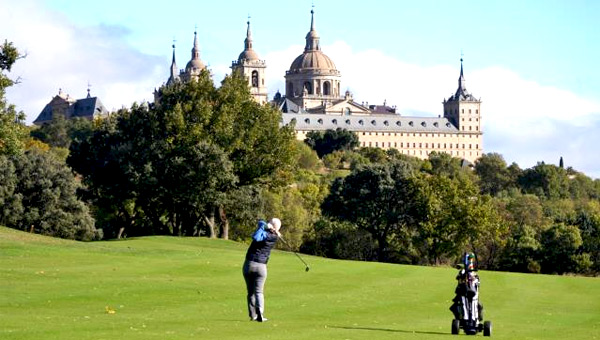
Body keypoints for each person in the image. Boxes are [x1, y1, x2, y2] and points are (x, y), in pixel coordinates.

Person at [243, 217, 281, 322]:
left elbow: (256, 237)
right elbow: (260, 222)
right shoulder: (274, 235)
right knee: (259, 292)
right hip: (261, 267)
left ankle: (253, 315)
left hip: (249, 264)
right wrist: (265, 225)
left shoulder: (268, 235)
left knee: (251, 292)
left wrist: (264, 226)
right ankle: (260, 313)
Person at [449, 252, 484, 321]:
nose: (470, 261)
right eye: (469, 259)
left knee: (479, 306)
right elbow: (458, 279)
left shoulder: (474, 273)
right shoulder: (462, 272)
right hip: (462, 293)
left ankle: (478, 317)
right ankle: (459, 318)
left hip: (472, 293)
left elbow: (477, 282)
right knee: (454, 307)